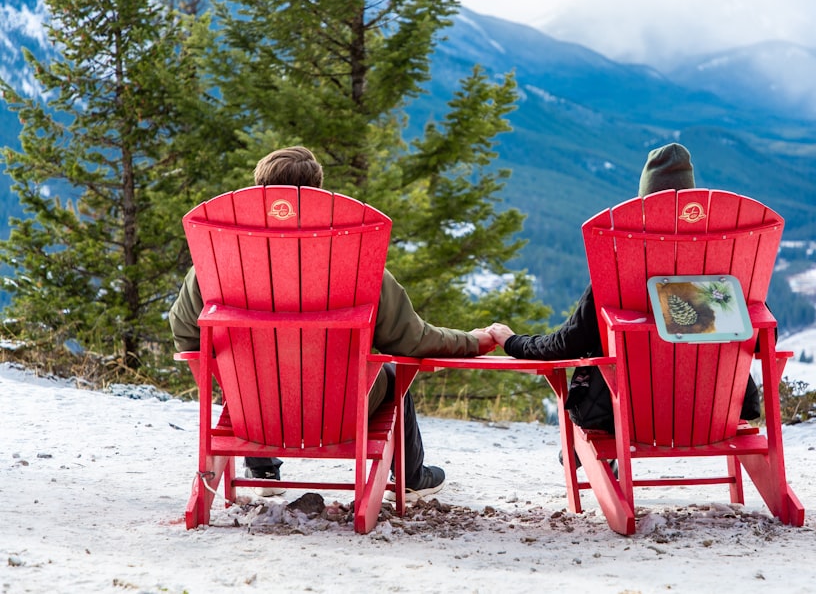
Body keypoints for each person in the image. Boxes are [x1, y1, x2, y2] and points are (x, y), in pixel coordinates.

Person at [169, 146, 495, 501]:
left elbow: (185, 335)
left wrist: (227, 384)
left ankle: (261, 467)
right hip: (339, 413)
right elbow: (410, 341)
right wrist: (473, 341)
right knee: (389, 373)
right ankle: (412, 476)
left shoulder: (213, 268)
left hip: (255, 415)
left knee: (251, 371)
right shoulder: (358, 265)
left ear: (260, 193)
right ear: (318, 195)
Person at [488, 143, 761, 442]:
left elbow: (565, 345)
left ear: (644, 209)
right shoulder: (729, 273)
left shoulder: (619, 277)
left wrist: (513, 342)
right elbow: (760, 341)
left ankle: (597, 459)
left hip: (622, 414)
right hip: (716, 414)